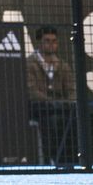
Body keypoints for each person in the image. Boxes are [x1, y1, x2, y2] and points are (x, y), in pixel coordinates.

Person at [26, 25, 76, 165]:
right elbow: (31, 91)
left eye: (54, 41)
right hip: (38, 108)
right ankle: (51, 159)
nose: (51, 44)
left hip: (61, 108)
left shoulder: (63, 65)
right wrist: (51, 101)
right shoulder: (29, 64)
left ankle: (71, 160)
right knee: (52, 121)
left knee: (74, 119)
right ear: (39, 42)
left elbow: (72, 90)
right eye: (47, 41)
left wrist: (68, 103)